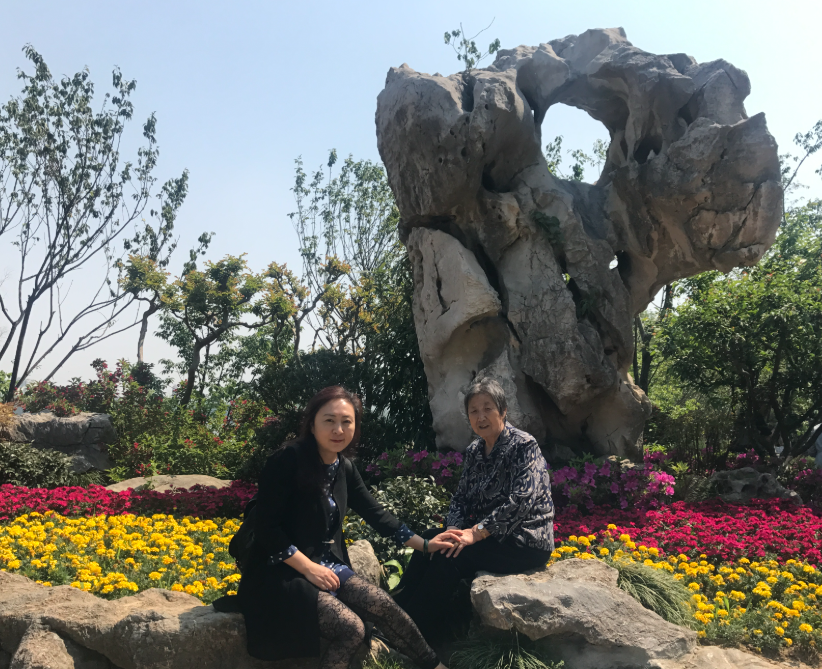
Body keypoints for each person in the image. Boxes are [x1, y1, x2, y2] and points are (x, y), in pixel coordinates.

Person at [237, 385, 458, 669]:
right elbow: (267, 529)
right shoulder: (286, 460)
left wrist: (425, 545)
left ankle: (434, 665)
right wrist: (309, 568)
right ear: (312, 424)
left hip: (326, 565)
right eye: (329, 420)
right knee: (351, 629)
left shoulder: (344, 467)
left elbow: (376, 514)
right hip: (280, 571)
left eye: (346, 421)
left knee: (383, 604)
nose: (338, 429)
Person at [394, 378, 554, 641]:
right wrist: (453, 530)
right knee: (433, 540)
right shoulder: (475, 451)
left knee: (451, 557)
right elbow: (460, 498)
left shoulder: (524, 446)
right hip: (489, 538)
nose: (481, 417)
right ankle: (394, 612)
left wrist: (476, 533)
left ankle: (410, 634)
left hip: (524, 541)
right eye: (474, 411)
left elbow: (522, 500)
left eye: (487, 408)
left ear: (503, 410)